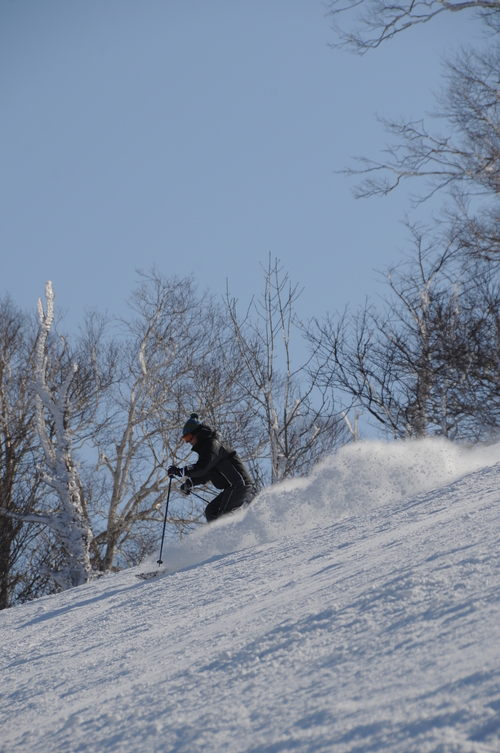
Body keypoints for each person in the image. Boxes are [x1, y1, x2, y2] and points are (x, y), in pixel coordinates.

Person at [168, 413, 254, 522]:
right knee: (211, 511)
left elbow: (202, 467)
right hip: (232, 487)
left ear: (197, 433)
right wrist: (190, 483)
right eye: (185, 439)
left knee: (223, 515)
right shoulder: (206, 449)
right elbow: (207, 474)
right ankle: (217, 536)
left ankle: (230, 536)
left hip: (239, 484)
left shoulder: (212, 445)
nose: (188, 442)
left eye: (188, 437)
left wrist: (181, 471)